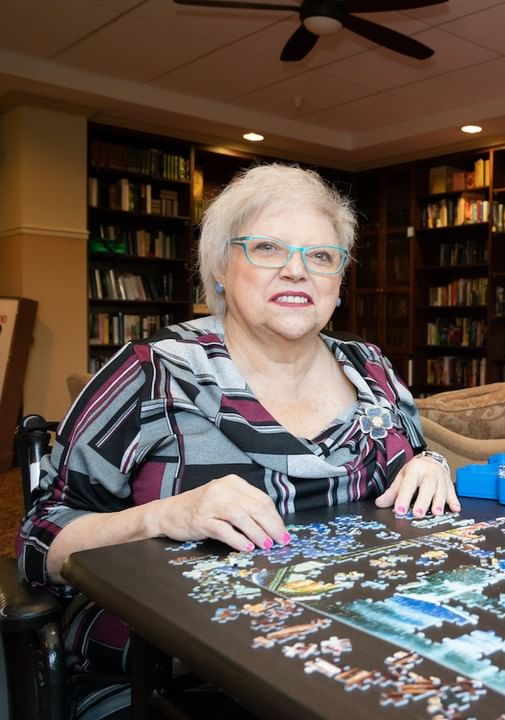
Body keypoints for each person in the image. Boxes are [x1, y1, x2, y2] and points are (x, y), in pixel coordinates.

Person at [17, 163, 458, 717]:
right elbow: (40, 541)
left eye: (321, 256)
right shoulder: (150, 375)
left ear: (339, 280)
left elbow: (416, 467)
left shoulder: (372, 369)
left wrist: (431, 463)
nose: (298, 272)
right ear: (221, 267)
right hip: (170, 676)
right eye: (269, 248)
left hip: (353, 657)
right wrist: (163, 517)